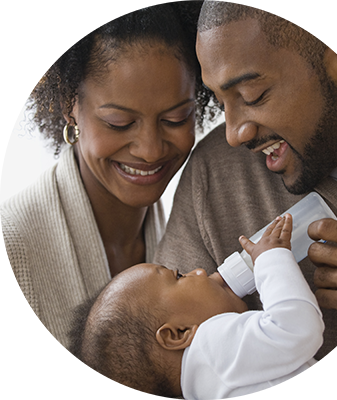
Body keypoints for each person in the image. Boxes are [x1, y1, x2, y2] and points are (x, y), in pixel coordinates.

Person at [154, 0, 337, 398]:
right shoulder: (219, 176)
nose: (235, 133)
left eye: (252, 95)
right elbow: (161, 365)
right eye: (220, 102)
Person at [0, 0, 214, 398]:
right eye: (119, 122)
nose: (150, 149)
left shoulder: (196, 243)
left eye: (176, 119)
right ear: (70, 106)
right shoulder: (6, 254)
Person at [69, 215, 337, 400]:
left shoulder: (208, 386)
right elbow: (297, 327)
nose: (198, 271)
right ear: (178, 333)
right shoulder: (211, 349)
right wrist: (271, 258)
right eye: (178, 276)